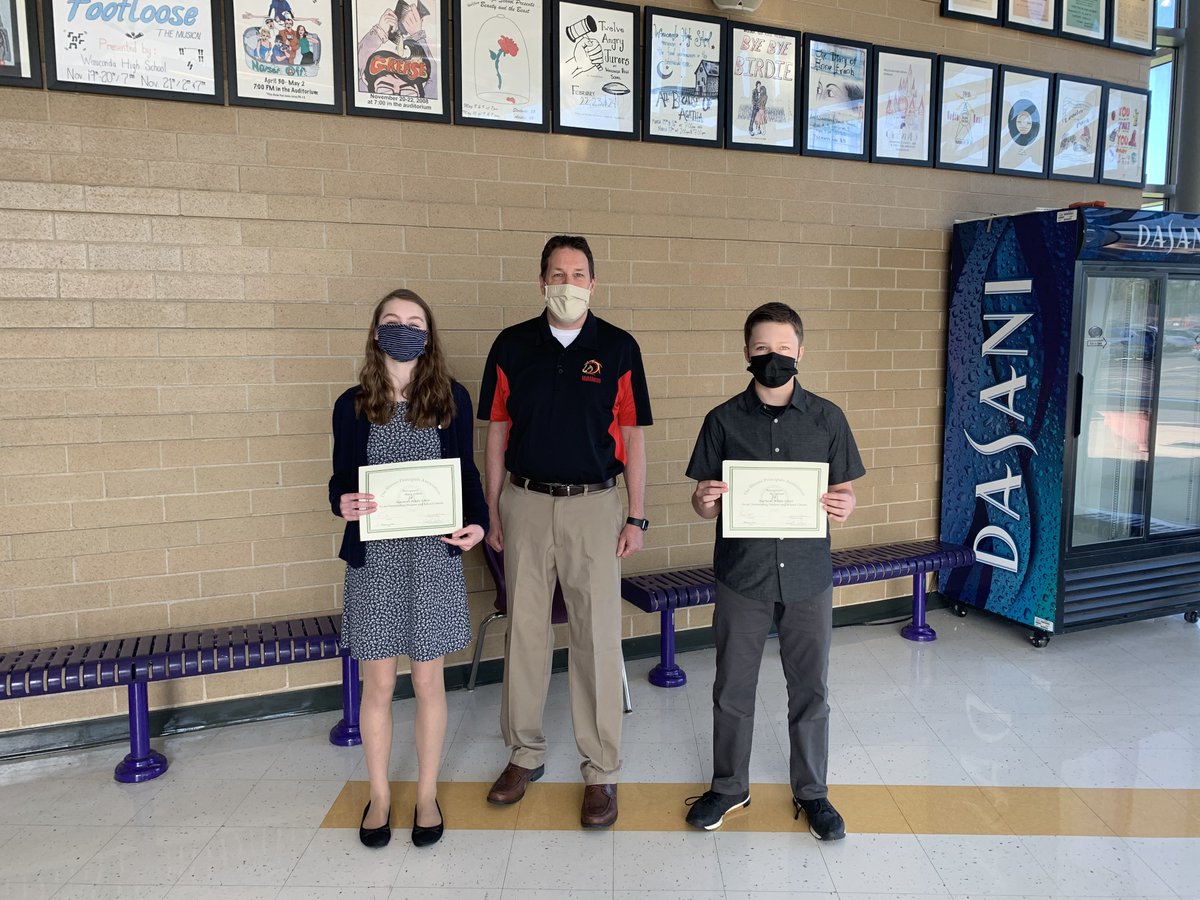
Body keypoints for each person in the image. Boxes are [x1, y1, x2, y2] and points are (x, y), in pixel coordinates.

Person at [477, 235, 653, 829]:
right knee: (524, 631)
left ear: (593, 284)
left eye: (579, 274)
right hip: (524, 502)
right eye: (557, 272)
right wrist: (494, 508)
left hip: (596, 506)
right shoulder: (511, 346)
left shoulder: (620, 347)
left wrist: (636, 514)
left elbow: (633, 439)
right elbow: (496, 432)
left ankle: (600, 770)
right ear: (541, 280)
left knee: (597, 635)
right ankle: (524, 754)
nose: (568, 283)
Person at [683, 302, 865, 841]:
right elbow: (701, 499)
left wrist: (846, 503)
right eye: (762, 349)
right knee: (732, 689)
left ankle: (813, 794)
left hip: (808, 576)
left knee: (810, 689)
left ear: (801, 352)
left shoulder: (828, 418)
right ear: (746, 353)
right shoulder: (721, 420)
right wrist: (704, 501)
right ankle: (728, 786)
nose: (773, 358)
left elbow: (845, 489)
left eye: (783, 349)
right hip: (743, 575)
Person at [329, 289, 487, 849]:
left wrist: (479, 523)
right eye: (392, 321)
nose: (403, 329)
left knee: (427, 681)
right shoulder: (351, 404)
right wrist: (342, 502)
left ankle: (424, 794)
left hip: (431, 559)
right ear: (376, 333)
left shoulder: (451, 398)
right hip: (375, 562)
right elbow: (338, 481)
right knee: (378, 685)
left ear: (429, 335)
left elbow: (466, 475)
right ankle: (378, 795)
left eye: (415, 322)